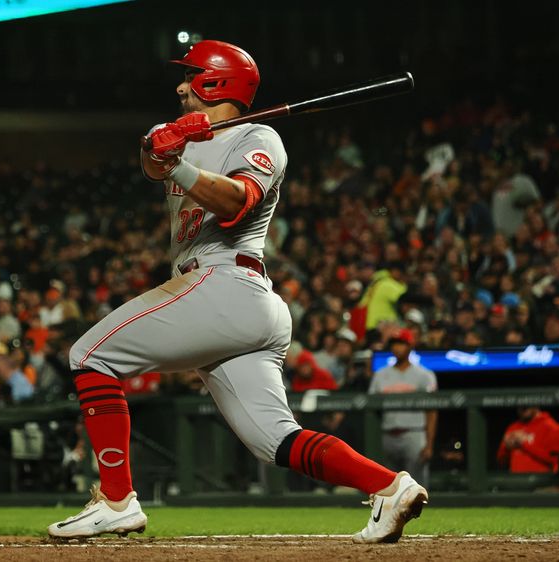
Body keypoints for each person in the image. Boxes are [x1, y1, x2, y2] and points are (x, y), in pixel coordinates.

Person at [47, 40, 427, 544]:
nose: (181, 86)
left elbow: (237, 203)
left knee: (89, 355)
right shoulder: (188, 137)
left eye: (191, 76)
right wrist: (160, 146)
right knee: (275, 440)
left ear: (216, 81)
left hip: (226, 282)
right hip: (234, 301)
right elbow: (151, 160)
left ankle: (116, 500)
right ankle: (388, 486)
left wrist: (176, 161)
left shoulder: (259, 136)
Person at [368, 328, 438, 487]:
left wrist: (429, 444)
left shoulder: (424, 375)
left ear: (410, 346)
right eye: (394, 344)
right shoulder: (380, 375)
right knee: (387, 488)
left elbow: (432, 411)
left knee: (416, 488)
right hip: (387, 435)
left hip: (414, 433)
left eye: (401, 344)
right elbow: (371, 410)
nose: (397, 348)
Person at [496, 407, 559, 485]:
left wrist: (524, 443)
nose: (523, 407)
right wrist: (506, 448)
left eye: (527, 404)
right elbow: (501, 462)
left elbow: (555, 460)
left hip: (541, 485)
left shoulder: (549, 426)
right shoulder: (513, 427)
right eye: (520, 405)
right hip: (516, 484)